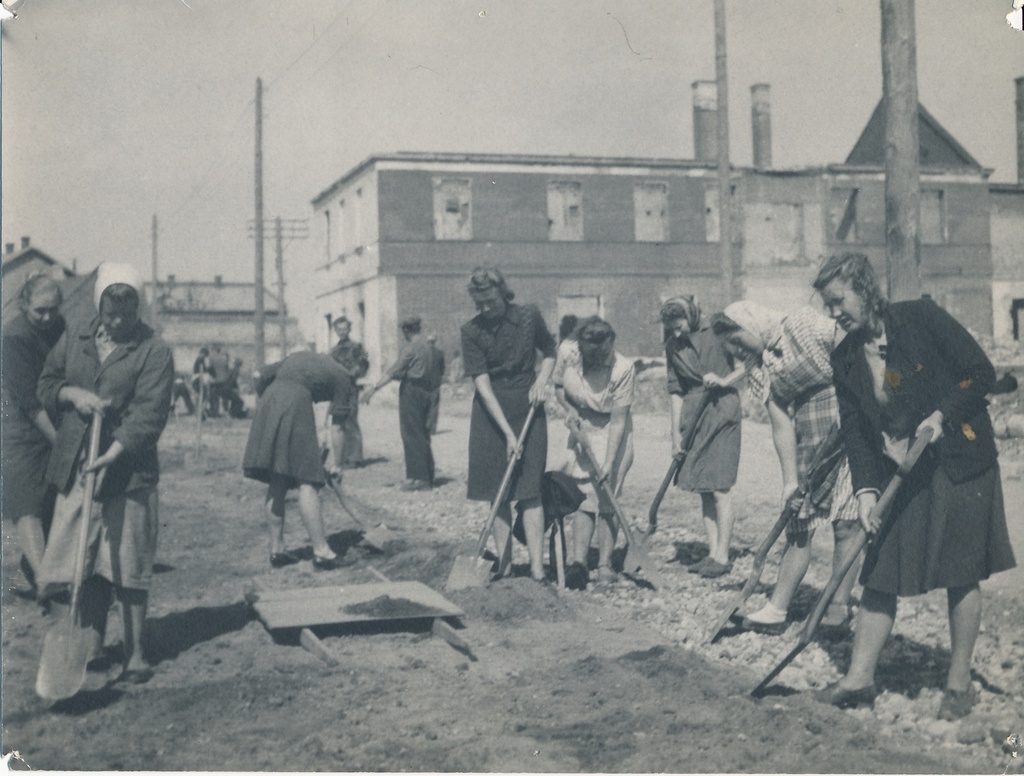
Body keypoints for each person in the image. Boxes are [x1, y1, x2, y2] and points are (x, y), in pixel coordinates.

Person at [810, 253, 1015, 718]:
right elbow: (857, 432)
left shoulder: (920, 319)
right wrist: (864, 490)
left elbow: (979, 373)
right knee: (880, 569)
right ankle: (859, 679)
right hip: (900, 470)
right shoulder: (845, 356)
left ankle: (959, 684)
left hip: (959, 459)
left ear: (864, 287)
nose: (833, 313)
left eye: (838, 301)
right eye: (827, 305)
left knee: (961, 571)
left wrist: (943, 413)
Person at [36, 263, 174, 684]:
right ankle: (89, 645)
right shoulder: (76, 336)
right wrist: (71, 393)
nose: (116, 324)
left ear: (138, 310)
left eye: (126, 317)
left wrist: (115, 451)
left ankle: (134, 653)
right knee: (84, 560)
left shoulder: (154, 351)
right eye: (110, 315)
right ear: (98, 306)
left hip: (128, 469)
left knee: (128, 563)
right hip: (77, 463)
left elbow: (149, 414)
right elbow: (47, 382)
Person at [712, 301, 861, 634]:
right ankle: (777, 609)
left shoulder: (802, 326)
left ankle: (837, 609)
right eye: (731, 348)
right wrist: (788, 482)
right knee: (798, 519)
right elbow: (780, 424)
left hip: (853, 426)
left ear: (751, 323)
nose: (738, 350)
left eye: (738, 339)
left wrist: (853, 392)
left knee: (846, 523)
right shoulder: (757, 366)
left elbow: (854, 345)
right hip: (810, 433)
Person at [461, 268, 556, 582]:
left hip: (528, 407)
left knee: (530, 490)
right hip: (491, 415)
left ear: (503, 291)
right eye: (480, 304)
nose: (485, 309)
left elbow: (550, 351)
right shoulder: (471, 330)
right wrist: (507, 433)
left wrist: (542, 380)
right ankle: (504, 565)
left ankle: (538, 569)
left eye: (490, 301)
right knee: (497, 492)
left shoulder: (529, 316)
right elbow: (482, 384)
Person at [243, 351, 352, 570]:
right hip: (296, 404)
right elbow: (338, 427)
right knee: (308, 480)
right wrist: (338, 465)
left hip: (269, 401)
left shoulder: (301, 356)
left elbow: (257, 375)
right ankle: (322, 551)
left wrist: (271, 399)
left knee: (279, 477)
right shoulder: (343, 376)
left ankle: (277, 550)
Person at [661, 296, 743, 579]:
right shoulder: (672, 346)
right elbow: (675, 390)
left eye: (679, 325)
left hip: (722, 410)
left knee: (720, 486)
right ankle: (712, 553)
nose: (676, 332)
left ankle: (723, 555)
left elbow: (748, 363)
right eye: (671, 328)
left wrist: (723, 381)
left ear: (692, 315)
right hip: (693, 414)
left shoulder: (718, 331)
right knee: (704, 487)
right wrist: (674, 434)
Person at [553, 316, 635, 584]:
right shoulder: (567, 352)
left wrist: (610, 462)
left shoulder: (623, 368)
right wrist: (571, 411)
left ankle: (604, 565)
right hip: (580, 427)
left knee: (607, 498)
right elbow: (558, 388)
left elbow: (619, 420)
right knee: (584, 498)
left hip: (612, 429)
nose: (600, 361)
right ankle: (578, 562)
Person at [1, 274, 65, 596]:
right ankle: (45, 580)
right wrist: (60, 440)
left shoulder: (59, 328)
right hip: (19, 427)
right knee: (26, 501)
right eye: (40, 310)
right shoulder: (13, 337)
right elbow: (28, 399)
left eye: (53, 309)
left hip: (51, 421)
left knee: (50, 500)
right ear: (24, 305)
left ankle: (30, 574)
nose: (47, 317)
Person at [362, 316, 440, 491]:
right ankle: (427, 474)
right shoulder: (430, 348)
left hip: (411, 392)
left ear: (406, 331)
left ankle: (419, 479)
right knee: (422, 433)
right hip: (428, 392)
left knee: (411, 434)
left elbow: (393, 372)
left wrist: (373, 389)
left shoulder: (411, 349)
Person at [329, 316, 369, 467]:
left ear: (349, 329)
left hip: (351, 388)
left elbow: (366, 359)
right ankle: (343, 456)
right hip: (337, 389)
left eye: (345, 329)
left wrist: (357, 369)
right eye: (339, 329)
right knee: (340, 422)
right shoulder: (333, 351)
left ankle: (355, 458)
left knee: (351, 420)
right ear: (335, 331)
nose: (342, 332)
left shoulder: (357, 347)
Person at [425, 334, 445, 435]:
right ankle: (432, 429)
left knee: (424, 405)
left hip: (423, 383)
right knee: (434, 406)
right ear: (435, 342)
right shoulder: (440, 353)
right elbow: (442, 369)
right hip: (436, 383)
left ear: (427, 342)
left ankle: (424, 428)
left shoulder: (422, 353)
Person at [206, 343, 231, 418]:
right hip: (223, 380)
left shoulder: (211, 357)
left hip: (214, 381)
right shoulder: (224, 358)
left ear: (213, 349)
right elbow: (227, 368)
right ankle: (225, 411)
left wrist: (213, 375)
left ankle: (214, 412)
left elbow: (208, 368)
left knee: (214, 397)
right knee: (224, 396)